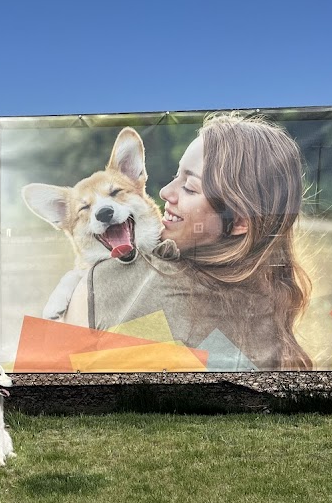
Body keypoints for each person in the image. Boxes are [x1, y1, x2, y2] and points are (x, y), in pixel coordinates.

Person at [64, 112, 313, 370]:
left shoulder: (108, 280)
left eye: (190, 187)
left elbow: (57, 376)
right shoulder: (269, 304)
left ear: (239, 221)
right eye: (176, 175)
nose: (164, 192)